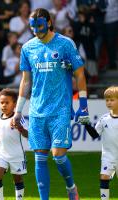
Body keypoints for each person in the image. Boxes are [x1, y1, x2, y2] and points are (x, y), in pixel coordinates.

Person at [10, 8, 90, 200]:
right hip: (37, 110)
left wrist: (84, 105)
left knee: (58, 155)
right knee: (39, 157)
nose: (36, 30)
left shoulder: (65, 44)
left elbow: (79, 74)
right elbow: (26, 80)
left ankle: (71, 187)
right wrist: (18, 111)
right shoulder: (28, 48)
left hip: (60, 109)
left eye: (40, 25)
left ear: (49, 22)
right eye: (33, 26)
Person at [0, 88, 28, 200]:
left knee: (17, 179)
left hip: (16, 154)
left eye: (7, 103)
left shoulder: (18, 119)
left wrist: (21, 128)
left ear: (14, 105)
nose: (4, 105)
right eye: (2, 102)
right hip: (2, 154)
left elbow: (28, 135)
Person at [85, 86, 118, 200]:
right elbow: (94, 135)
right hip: (107, 156)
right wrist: (86, 124)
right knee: (104, 177)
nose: (109, 102)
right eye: (107, 100)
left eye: (112, 100)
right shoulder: (104, 119)